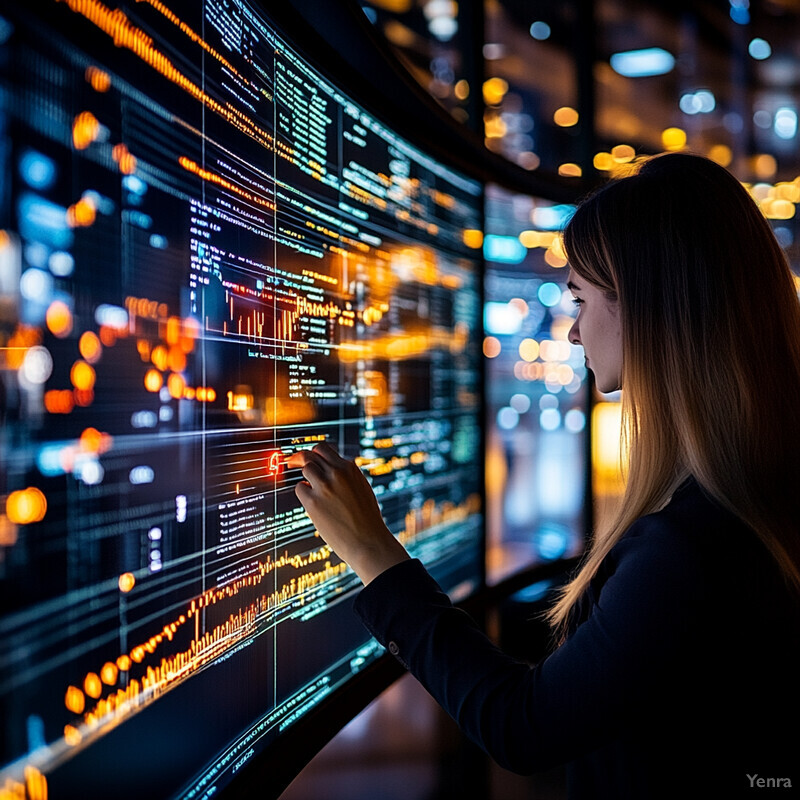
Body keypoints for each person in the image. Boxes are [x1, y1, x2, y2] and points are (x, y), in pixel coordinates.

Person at [287, 152, 800, 799]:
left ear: (647, 307)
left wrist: (371, 552)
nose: (574, 331)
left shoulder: (689, 547)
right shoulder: (756, 494)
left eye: (581, 299)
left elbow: (524, 727)